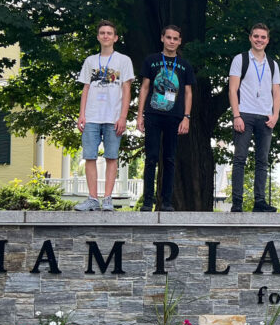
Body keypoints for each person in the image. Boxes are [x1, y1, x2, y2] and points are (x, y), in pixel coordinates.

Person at [74, 20, 134, 212]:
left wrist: (123, 117)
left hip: (113, 117)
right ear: (98, 36)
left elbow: (127, 90)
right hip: (92, 116)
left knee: (111, 157)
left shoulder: (123, 61)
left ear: (115, 38)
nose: (106, 36)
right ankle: (92, 198)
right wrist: (81, 114)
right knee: (89, 157)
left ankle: (107, 199)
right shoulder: (90, 61)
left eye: (109, 33)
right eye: (102, 33)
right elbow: (86, 88)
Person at [136, 25, 195, 212]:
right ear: (162, 38)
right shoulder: (151, 61)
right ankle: (147, 201)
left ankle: (167, 202)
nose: (171, 41)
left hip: (175, 116)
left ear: (179, 41)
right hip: (153, 114)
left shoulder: (184, 65)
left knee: (170, 159)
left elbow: (188, 92)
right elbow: (145, 87)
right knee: (151, 158)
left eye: (175, 38)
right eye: (168, 37)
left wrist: (186, 117)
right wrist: (140, 114)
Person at [228, 23, 280, 213]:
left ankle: (259, 201)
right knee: (240, 158)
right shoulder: (240, 59)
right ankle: (237, 202)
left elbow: (276, 92)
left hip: (265, 117)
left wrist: (275, 115)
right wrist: (236, 115)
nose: (259, 40)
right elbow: (233, 89)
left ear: (267, 40)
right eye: (256, 36)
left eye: (263, 37)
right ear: (250, 38)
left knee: (262, 160)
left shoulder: (272, 64)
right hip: (245, 113)